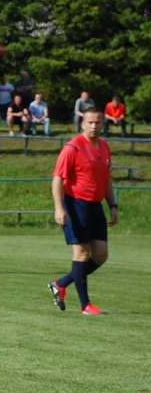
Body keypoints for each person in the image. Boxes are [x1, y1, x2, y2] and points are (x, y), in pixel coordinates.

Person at [48, 108, 117, 315]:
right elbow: (57, 179)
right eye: (90, 122)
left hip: (95, 207)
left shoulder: (104, 147)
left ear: (102, 124)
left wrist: (112, 205)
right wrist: (59, 208)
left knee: (101, 255)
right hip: (75, 205)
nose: (94, 126)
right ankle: (85, 305)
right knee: (82, 253)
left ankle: (60, 283)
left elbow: (106, 180)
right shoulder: (72, 148)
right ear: (82, 124)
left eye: (98, 122)